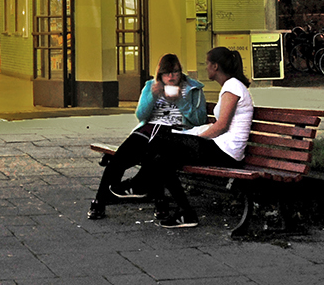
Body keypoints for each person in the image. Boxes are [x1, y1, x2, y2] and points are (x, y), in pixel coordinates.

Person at [135, 46, 255, 229]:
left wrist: (197, 136)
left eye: (207, 64)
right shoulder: (231, 86)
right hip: (220, 147)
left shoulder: (232, 86)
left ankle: (139, 184)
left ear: (215, 66)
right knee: (161, 158)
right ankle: (185, 212)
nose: (206, 67)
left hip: (226, 152)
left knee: (159, 143)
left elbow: (221, 126)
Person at [88, 54, 207, 220]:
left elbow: (199, 119)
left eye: (175, 73)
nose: (171, 77)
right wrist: (152, 95)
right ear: (160, 75)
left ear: (181, 72)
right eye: (167, 73)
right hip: (148, 129)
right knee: (120, 157)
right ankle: (100, 200)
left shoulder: (193, 88)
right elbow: (140, 114)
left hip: (176, 132)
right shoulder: (151, 86)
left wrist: (180, 101)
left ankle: (157, 200)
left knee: (156, 158)